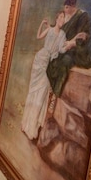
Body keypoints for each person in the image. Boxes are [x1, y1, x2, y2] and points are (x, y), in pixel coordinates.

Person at [21, 11, 67, 141]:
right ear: (57, 18)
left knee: (42, 93)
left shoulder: (63, 34)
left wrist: (71, 43)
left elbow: (61, 50)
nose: (62, 20)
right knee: (34, 91)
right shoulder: (50, 30)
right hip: (40, 59)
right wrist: (42, 24)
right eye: (61, 17)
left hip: (49, 64)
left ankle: (33, 127)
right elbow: (38, 36)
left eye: (64, 18)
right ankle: (26, 124)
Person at [46, 0, 91, 98]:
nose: (65, 9)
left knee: (65, 62)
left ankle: (55, 96)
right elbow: (58, 28)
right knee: (51, 61)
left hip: (77, 51)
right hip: (64, 48)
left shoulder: (82, 16)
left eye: (67, 7)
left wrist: (72, 43)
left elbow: (85, 36)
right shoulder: (65, 15)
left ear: (73, 6)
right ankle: (50, 91)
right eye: (64, 7)